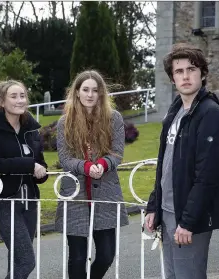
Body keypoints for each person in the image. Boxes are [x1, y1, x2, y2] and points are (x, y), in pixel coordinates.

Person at [143, 43, 219, 279]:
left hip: (189, 217)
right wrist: (154, 206)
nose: (185, 76)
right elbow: (165, 165)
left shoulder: (210, 114)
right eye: (179, 71)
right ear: (172, 78)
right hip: (168, 212)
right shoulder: (176, 110)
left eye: (191, 69)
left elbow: (208, 176)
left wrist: (188, 222)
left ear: (202, 73)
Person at [54, 70, 129, 279]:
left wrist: (103, 164)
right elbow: (65, 158)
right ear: (77, 92)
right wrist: (86, 167)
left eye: (95, 90)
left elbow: (117, 153)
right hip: (75, 195)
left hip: (106, 194)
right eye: (85, 90)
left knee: (106, 255)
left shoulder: (113, 118)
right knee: (77, 257)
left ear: (101, 93)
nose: (90, 94)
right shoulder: (65, 122)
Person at [0, 80, 48, 279]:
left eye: (23, 96)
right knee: (26, 261)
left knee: (17, 261)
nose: (20, 100)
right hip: (3, 201)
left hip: (29, 201)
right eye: (14, 96)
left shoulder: (32, 129)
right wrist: (28, 165)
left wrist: (41, 172)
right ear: (1, 101)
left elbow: (40, 162)